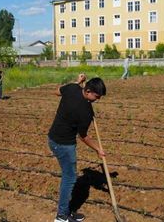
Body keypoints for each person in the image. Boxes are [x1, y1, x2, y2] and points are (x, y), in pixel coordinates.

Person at [48, 77, 107, 222]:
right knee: (69, 178)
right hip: (64, 145)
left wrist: (77, 81)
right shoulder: (85, 112)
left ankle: (67, 210)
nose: (97, 100)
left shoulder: (72, 88)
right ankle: (61, 216)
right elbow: (84, 137)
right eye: (96, 96)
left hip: (53, 138)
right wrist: (98, 149)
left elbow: (57, 92)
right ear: (88, 91)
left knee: (69, 176)